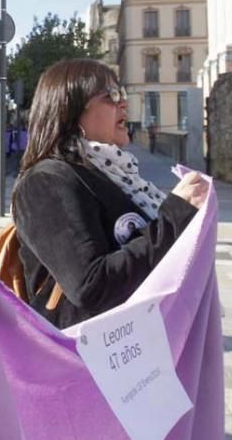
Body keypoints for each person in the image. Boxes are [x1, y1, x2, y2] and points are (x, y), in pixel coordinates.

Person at [11, 59, 208, 329]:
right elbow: (90, 287)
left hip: (135, 345)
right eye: (112, 96)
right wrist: (175, 216)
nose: (124, 104)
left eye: (123, 94)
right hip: (83, 360)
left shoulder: (114, 174)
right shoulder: (46, 181)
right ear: (72, 110)